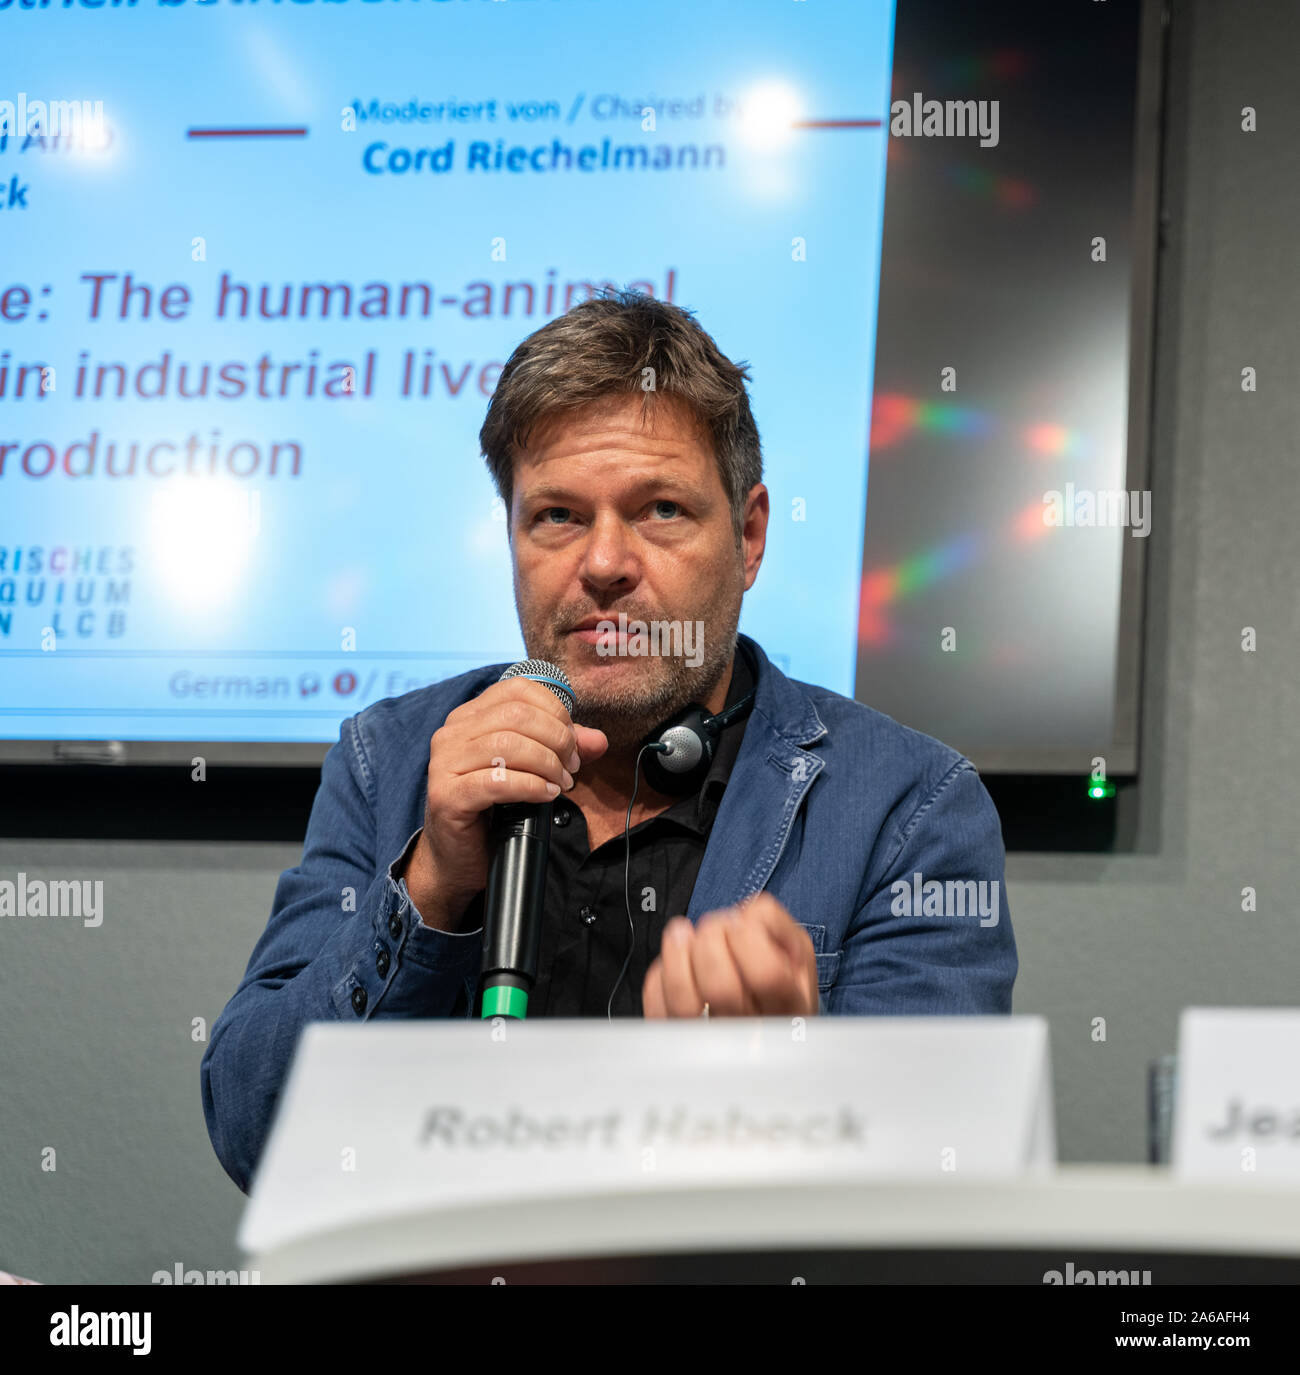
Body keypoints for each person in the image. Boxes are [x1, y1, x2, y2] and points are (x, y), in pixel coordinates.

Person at [201, 288, 1016, 1193]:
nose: (603, 563)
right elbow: (252, 1131)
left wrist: (800, 1085)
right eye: (556, 516)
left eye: (661, 509)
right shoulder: (389, 756)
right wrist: (430, 885)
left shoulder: (910, 805)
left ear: (748, 538)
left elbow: (947, 1185)